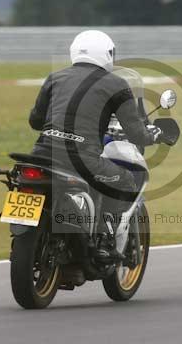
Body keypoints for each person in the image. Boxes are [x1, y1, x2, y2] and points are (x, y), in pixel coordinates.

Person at [28, 30, 162, 261]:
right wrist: (154, 135)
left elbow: (35, 121)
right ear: (108, 54)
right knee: (126, 180)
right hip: (82, 159)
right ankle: (105, 241)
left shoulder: (55, 78)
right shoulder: (116, 84)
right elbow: (137, 134)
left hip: (41, 155)